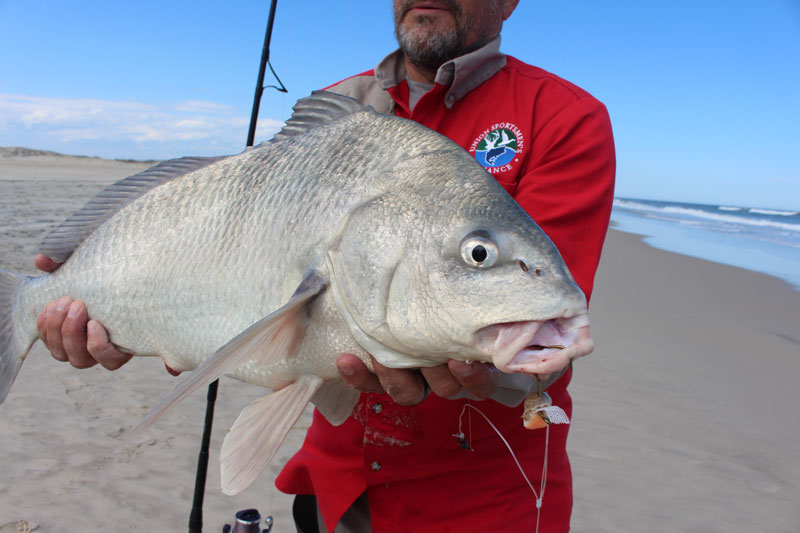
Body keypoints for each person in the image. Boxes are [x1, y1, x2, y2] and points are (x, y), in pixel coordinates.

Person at [36, 1, 615, 531]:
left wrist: (500, 369)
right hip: (332, 483)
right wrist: (160, 320)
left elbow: (543, 327)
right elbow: (233, 257)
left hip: (479, 502)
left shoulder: (563, 116)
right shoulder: (336, 107)